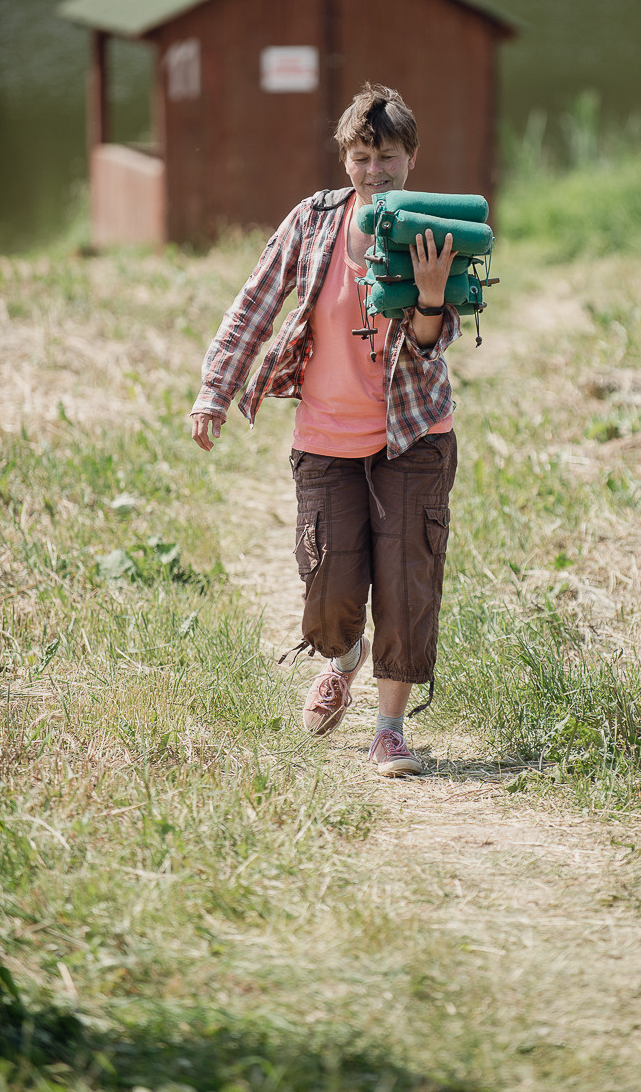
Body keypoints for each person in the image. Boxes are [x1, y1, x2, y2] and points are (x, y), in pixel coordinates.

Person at [190, 82, 461, 777]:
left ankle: (390, 730)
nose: (376, 172)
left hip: (413, 436)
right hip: (325, 435)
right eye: (363, 157)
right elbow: (255, 301)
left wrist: (430, 293)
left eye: (390, 157)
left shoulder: (431, 228)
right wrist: (215, 391)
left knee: (406, 581)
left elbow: (432, 341)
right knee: (329, 588)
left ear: (412, 159)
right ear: (345, 159)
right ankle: (342, 658)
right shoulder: (312, 221)